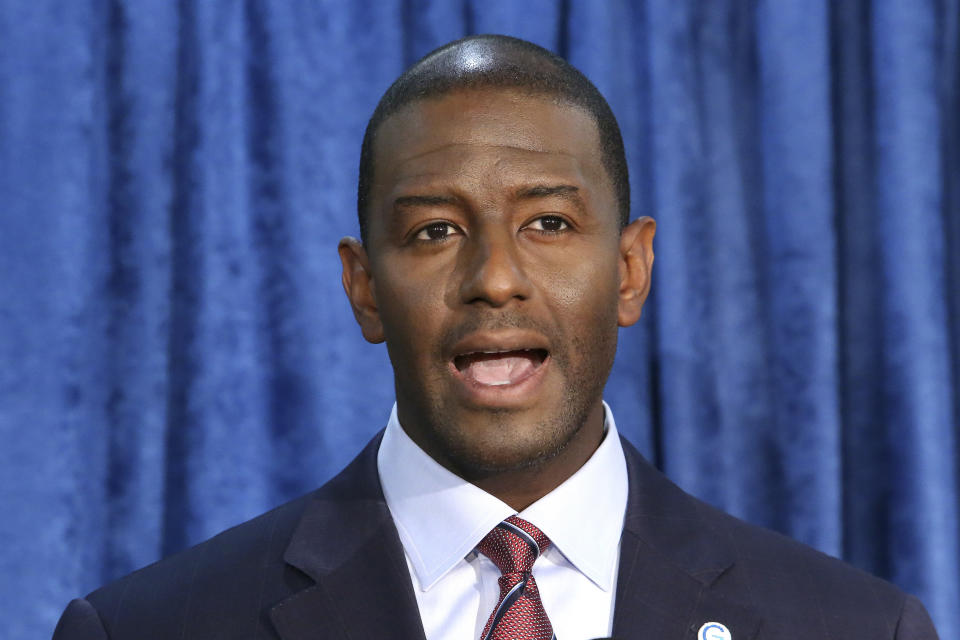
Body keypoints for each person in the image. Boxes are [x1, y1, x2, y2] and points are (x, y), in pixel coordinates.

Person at [53, 34, 938, 640]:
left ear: (630, 270)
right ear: (364, 289)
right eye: (435, 231)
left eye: (548, 223)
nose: (496, 278)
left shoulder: (853, 626)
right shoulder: (150, 627)